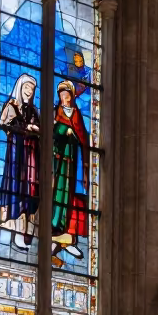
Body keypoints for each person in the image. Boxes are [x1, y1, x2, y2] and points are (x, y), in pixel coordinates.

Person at [0, 73, 40, 250]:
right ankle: (11, 231)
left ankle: (25, 231)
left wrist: (34, 128)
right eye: (26, 88)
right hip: (16, 153)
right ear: (20, 88)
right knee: (14, 187)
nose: (29, 92)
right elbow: (3, 124)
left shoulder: (33, 111)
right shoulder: (11, 106)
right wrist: (21, 127)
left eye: (32, 89)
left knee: (28, 191)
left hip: (29, 156)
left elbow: (39, 128)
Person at [51, 79, 89, 259]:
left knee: (75, 199)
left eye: (67, 96)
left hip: (74, 164)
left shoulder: (77, 115)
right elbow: (51, 133)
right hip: (58, 163)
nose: (64, 98)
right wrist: (62, 130)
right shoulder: (56, 112)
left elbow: (83, 137)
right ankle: (54, 233)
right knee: (57, 196)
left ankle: (69, 240)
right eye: (62, 96)